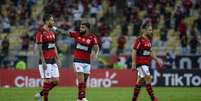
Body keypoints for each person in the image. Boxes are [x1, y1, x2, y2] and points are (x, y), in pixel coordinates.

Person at [54, 22, 99, 101]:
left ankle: (79, 98)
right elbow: (65, 33)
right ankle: (83, 97)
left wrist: (95, 54)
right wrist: (55, 28)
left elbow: (96, 47)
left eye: (83, 28)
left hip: (87, 61)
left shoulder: (92, 37)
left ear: (87, 29)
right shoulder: (77, 34)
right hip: (77, 60)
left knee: (84, 81)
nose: (80, 29)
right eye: (80, 27)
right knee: (81, 79)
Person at [131, 23, 162, 101]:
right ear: (144, 30)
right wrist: (133, 63)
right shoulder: (139, 39)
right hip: (140, 63)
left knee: (140, 80)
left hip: (146, 63)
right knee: (148, 78)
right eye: (149, 30)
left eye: (151, 30)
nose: (151, 31)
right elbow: (134, 51)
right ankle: (153, 98)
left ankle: (134, 99)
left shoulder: (148, 40)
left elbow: (150, 52)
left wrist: (157, 59)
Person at [34, 14, 61, 101]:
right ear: (46, 21)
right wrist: (43, 61)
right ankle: (45, 99)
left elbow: (54, 46)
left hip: (52, 60)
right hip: (45, 60)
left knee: (56, 81)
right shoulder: (40, 32)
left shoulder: (52, 32)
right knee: (47, 81)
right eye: (52, 20)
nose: (53, 22)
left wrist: (58, 58)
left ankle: (41, 94)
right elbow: (39, 48)